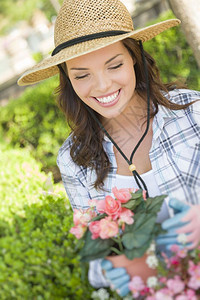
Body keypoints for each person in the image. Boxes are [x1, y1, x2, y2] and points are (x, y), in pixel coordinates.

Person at [18, 0, 200, 296]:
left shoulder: (194, 114)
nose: (102, 86)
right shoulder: (73, 161)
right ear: (67, 80)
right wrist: (110, 270)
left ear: (135, 57)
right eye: (81, 75)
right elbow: (97, 253)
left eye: (114, 65)